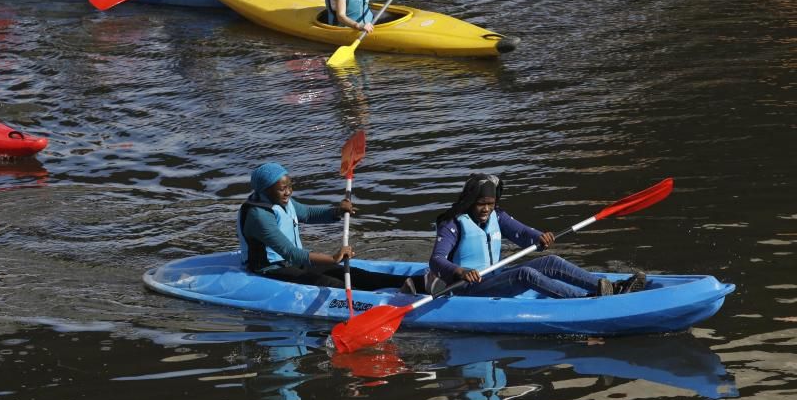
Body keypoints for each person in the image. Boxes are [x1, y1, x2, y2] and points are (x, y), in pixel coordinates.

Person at [428, 174, 647, 298]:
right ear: (470, 202)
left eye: (490, 204)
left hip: (495, 276)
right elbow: (436, 260)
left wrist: (539, 237)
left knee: (550, 261)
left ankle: (609, 287)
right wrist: (460, 271)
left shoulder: (497, 215)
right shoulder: (452, 223)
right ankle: (584, 301)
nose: (486, 209)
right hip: (467, 288)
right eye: (481, 204)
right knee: (525, 273)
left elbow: (522, 232)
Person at [237, 162, 432, 293]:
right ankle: (384, 304)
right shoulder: (258, 216)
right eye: (282, 188)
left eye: (289, 186)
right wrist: (332, 258)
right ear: (264, 190)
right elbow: (289, 253)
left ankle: (418, 284)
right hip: (272, 268)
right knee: (334, 284)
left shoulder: (282, 201)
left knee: (356, 275)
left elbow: (308, 214)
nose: (288, 192)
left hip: (296, 262)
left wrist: (337, 211)